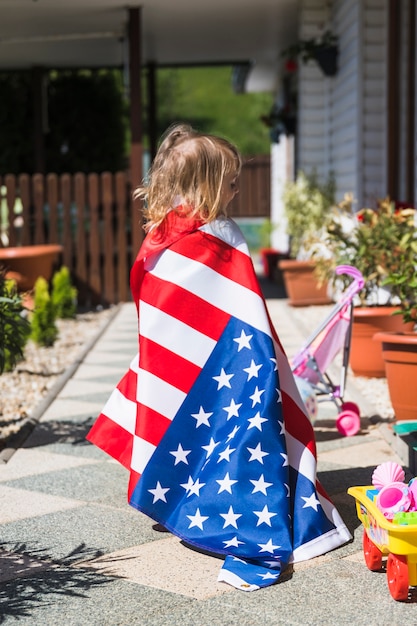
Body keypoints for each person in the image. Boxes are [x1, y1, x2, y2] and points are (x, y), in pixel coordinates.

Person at [87, 123, 351, 591]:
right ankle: (220, 509)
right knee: (233, 426)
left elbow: (232, 307)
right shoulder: (211, 238)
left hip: (215, 366)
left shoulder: (163, 236)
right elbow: (217, 316)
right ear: (206, 183)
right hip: (215, 367)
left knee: (202, 427)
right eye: (229, 179)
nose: (236, 187)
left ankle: (182, 494)